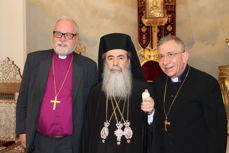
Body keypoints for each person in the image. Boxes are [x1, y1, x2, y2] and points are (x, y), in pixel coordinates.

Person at [16, 17, 98, 153]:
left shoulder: (88, 67)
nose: (62, 39)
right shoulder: (34, 61)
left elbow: (92, 108)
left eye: (68, 35)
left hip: (71, 142)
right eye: (58, 33)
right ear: (53, 36)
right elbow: (23, 99)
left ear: (76, 39)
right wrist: (22, 131)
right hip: (38, 139)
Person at [151, 35, 227, 153]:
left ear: (184, 56)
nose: (165, 61)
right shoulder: (158, 83)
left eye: (171, 54)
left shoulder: (207, 84)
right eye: (161, 56)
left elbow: (217, 132)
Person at [81, 33, 154, 153]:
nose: (115, 63)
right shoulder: (96, 92)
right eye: (110, 58)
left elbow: (154, 132)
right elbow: (88, 133)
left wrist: (151, 112)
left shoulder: (143, 90)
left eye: (120, 57)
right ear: (104, 61)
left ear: (129, 60)